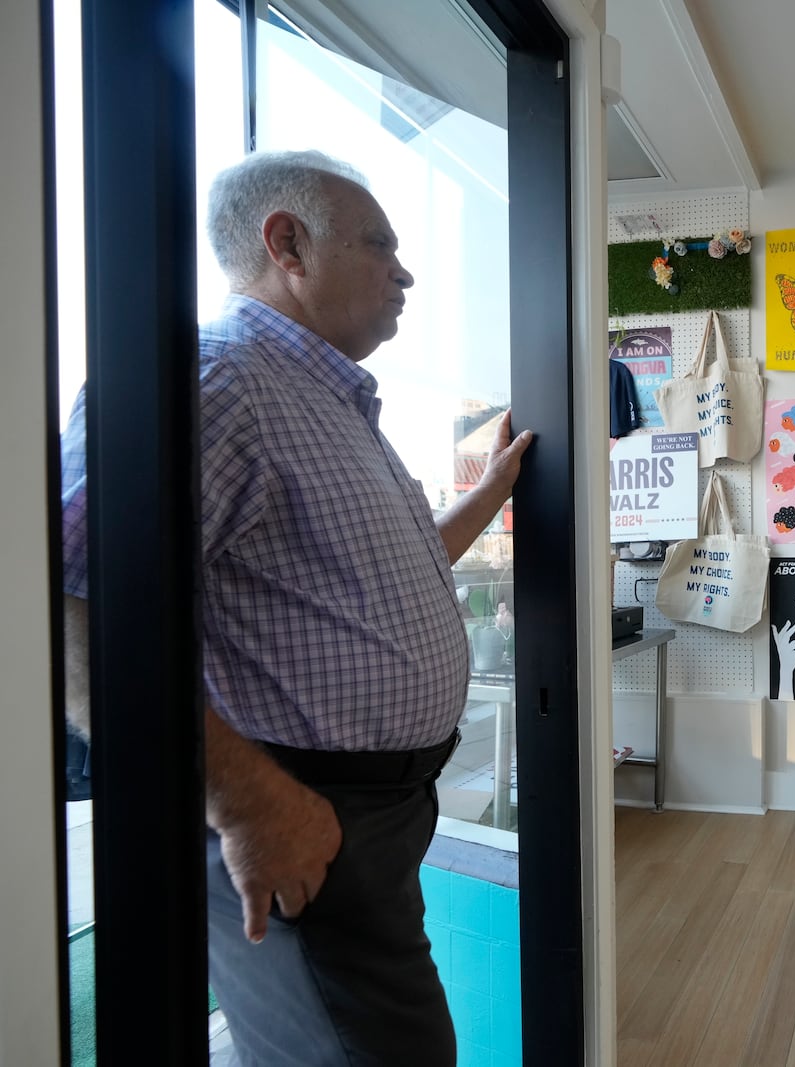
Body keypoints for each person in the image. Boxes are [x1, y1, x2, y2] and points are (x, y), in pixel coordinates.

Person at [60, 150, 533, 1065]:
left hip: (369, 819)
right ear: (289, 244)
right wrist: (244, 803)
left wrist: (494, 490)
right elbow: (64, 604)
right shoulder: (215, 381)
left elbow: (398, 571)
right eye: (380, 245)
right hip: (295, 814)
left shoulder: (323, 400)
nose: (405, 270)